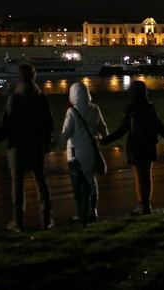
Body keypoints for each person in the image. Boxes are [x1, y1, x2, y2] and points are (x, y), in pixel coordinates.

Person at [0, 63, 54, 232]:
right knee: (41, 183)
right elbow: (49, 124)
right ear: (34, 76)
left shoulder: (14, 99)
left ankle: (18, 222)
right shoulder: (40, 98)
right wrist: (46, 142)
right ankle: (45, 219)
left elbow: (6, 125)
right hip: (36, 146)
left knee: (17, 185)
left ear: (19, 77)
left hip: (17, 148)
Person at [103, 81, 164, 215]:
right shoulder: (150, 107)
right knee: (147, 175)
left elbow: (123, 129)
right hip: (149, 144)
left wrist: (107, 140)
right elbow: (158, 125)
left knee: (139, 176)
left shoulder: (131, 108)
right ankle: (146, 205)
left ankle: (143, 205)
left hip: (136, 146)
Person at [57, 82, 108, 226]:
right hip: (91, 151)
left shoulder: (72, 112)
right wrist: (105, 138)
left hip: (75, 154)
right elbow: (102, 127)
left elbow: (66, 133)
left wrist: (54, 141)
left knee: (79, 186)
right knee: (91, 181)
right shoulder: (94, 108)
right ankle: (93, 211)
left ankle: (83, 214)